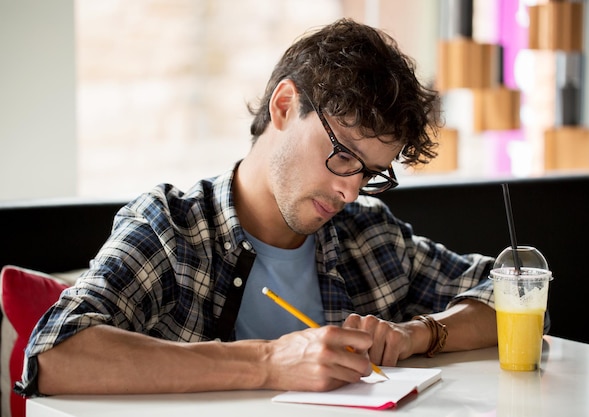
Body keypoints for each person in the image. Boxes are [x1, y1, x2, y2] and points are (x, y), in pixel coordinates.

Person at [16, 18, 496, 397]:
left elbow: (512, 294)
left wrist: (419, 334)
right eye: (343, 154)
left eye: (369, 174)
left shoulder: (367, 234)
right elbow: (55, 353)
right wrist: (270, 363)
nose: (350, 192)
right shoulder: (171, 230)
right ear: (285, 106)